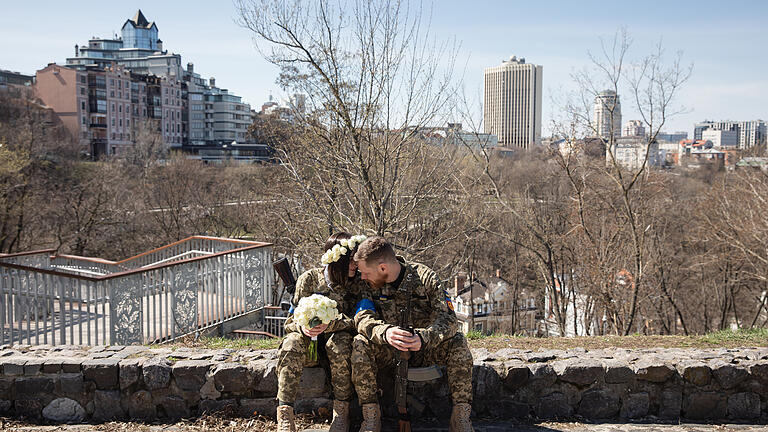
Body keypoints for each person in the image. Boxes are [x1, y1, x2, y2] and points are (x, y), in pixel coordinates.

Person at [351, 236, 474, 432]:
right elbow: (362, 317)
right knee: (360, 343)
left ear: (383, 268)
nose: (362, 277)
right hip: (389, 349)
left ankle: (460, 417)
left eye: (365, 272)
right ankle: (371, 417)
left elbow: (449, 319)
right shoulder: (367, 284)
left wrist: (423, 338)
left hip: (425, 348)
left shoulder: (424, 278)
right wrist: (386, 332)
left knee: (458, 342)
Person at [276, 232, 368, 432]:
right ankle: (285, 414)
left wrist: (332, 324)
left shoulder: (358, 284)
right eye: (351, 261)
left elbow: (361, 321)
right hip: (310, 345)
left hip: (339, 347)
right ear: (338, 261)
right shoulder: (308, 279)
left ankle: (341, 412)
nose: (355, 265)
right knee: (291, 342)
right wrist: (303, 326)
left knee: (340, 342)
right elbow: (289, 322)